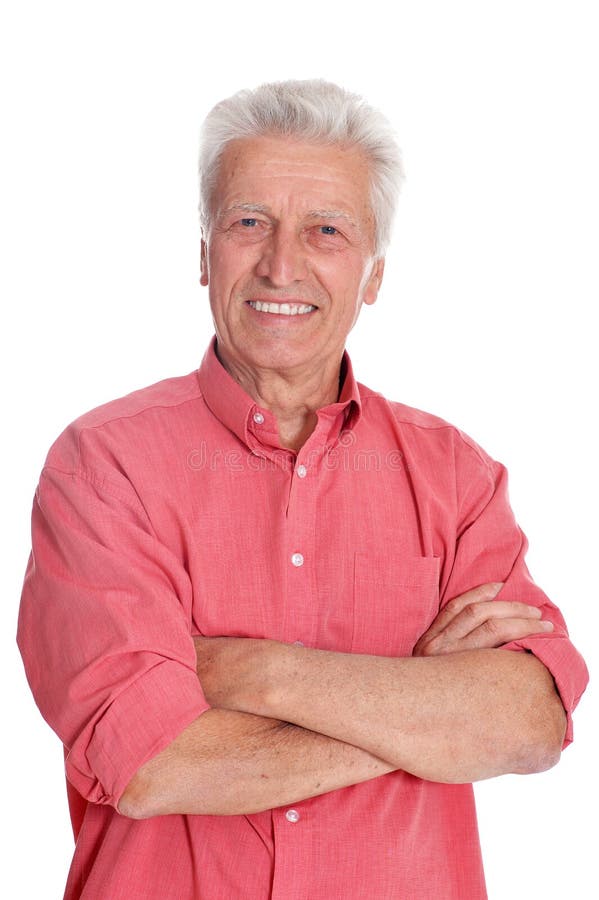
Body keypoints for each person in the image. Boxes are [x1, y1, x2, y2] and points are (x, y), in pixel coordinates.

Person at [18, 79, 588, 899]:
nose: (281, 263)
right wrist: (430, 717)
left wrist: (243, 671)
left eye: (326, 230)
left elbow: (532, 722)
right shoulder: (101, 467)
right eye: (250, 223)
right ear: (203, 252)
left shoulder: (455, 474)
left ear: (372, 273)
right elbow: (147, 763)